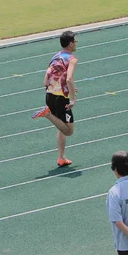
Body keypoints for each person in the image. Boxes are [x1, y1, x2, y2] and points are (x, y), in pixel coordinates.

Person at [31, 31, 78, 166]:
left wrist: (64, 87)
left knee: (61, 126)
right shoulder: (72, 59)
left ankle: (61, 157)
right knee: (68, 131)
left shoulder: (56, 56)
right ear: (70, 43)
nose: (75, 44)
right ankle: (47, 114)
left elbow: (46, 81)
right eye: (74, 41)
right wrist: (73, 98)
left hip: (49, 95)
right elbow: (69, 78)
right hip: (61, 99)